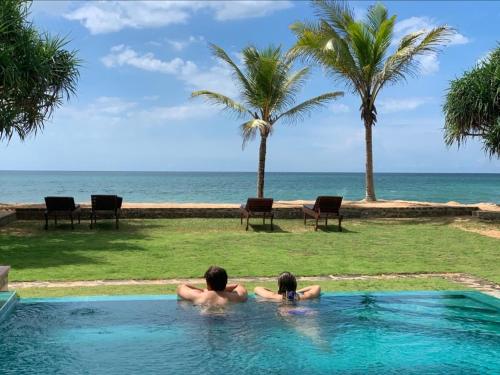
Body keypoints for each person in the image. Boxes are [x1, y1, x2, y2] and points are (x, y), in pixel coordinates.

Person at [177, 265, 247, 306]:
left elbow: (181, 287)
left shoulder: (199, 296)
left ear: (208, 284)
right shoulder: (236, 297)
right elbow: (239, 286)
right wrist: (223, 289)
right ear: (225, 282)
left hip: (206, 319)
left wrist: (204, 290)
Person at [254, 272, 321, 302]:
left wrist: (275, 293)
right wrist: (296, 292)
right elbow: (317, 287)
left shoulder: (274, 296)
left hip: (284, 312)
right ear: (294, 285)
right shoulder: (303, 297)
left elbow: (257, 288)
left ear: (280, 286)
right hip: (298, 310)